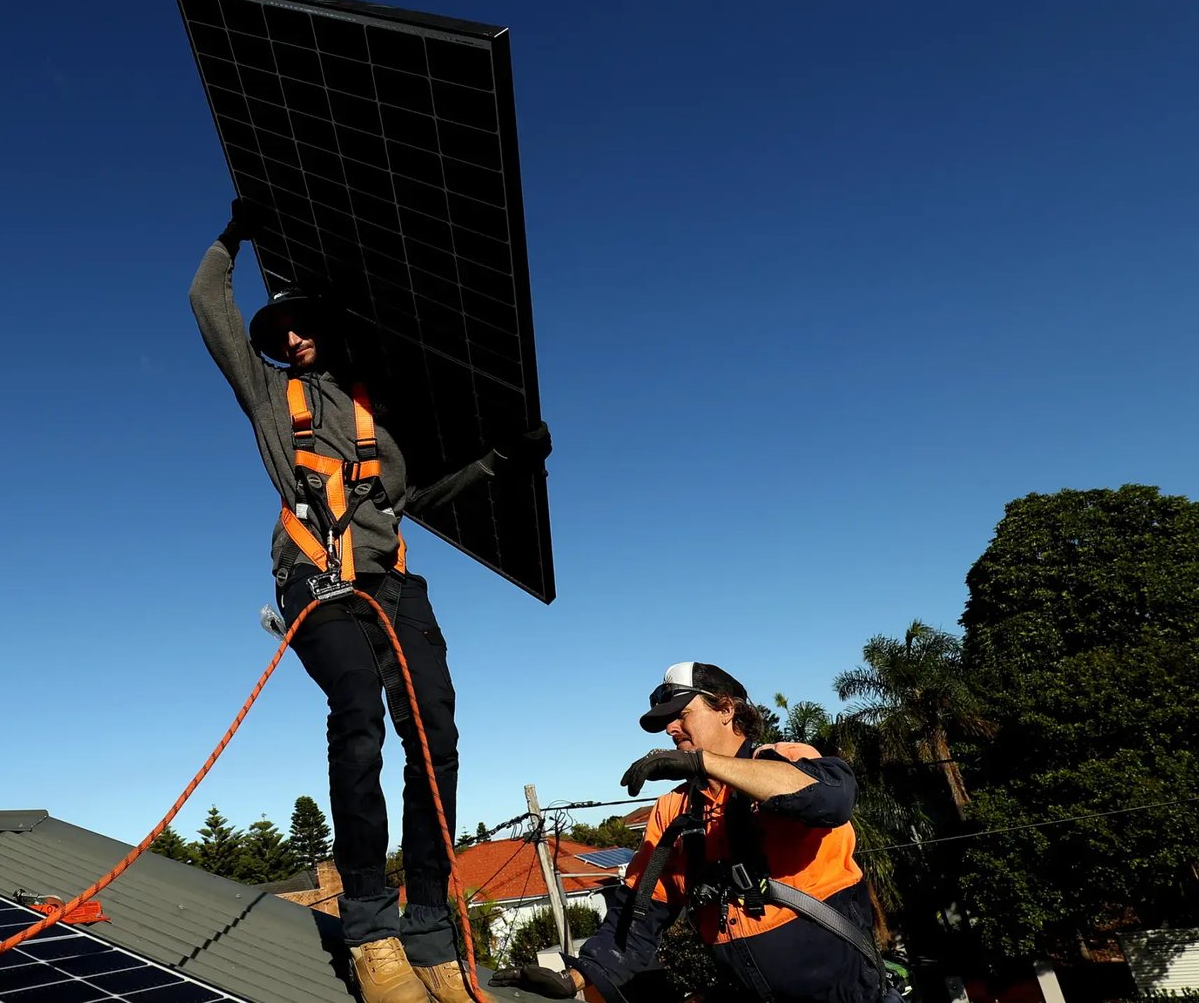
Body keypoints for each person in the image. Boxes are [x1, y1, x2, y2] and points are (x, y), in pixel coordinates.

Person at [190, 199, 549, 1003]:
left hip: (390, 587)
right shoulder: (268, 399)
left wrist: (500, 459)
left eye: (301, 325)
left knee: (436, 729)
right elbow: (206, 303)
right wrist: (233, 235)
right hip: (312, 582)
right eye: (277, 330)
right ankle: (369, 931)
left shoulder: (375, 412)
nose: (289, 338)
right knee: (357, 711)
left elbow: (416, 495)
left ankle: (428, 926)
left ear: (326, 324)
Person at [504, 662, 887, 1003]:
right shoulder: (674, 810)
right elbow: (636, 917)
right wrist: (573, 980)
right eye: (666, 722)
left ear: (726, 709)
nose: (671, 729)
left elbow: (830, 799)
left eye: (681, 714)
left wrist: (702, 761)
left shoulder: (783, 759)